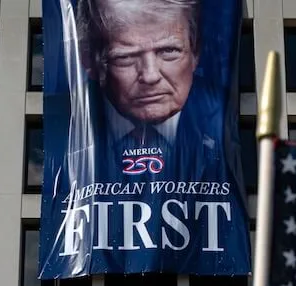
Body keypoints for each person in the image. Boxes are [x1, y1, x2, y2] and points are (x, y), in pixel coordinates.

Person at [75, 0, 226, 181]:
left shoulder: (225, 119)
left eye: (169, 50)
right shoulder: (61, 130)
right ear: (89, 61)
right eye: (125, 57)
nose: (150, 76)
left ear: (196, 53)